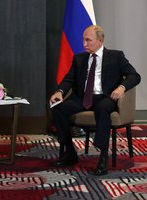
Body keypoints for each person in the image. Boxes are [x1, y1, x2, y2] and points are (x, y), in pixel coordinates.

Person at [49, 25, 141, 175]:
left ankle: (103, 155)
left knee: (102, 108)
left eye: (88, 40)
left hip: (105, 97)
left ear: (100, 40)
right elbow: (69, 79)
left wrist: (121, 88)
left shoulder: (116, 56)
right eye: (83, 40)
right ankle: (70, 152)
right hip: (82, 98)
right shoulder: (79, 58)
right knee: (57, 107)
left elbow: (135, 76)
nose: (84, 44)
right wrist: (59, 92)